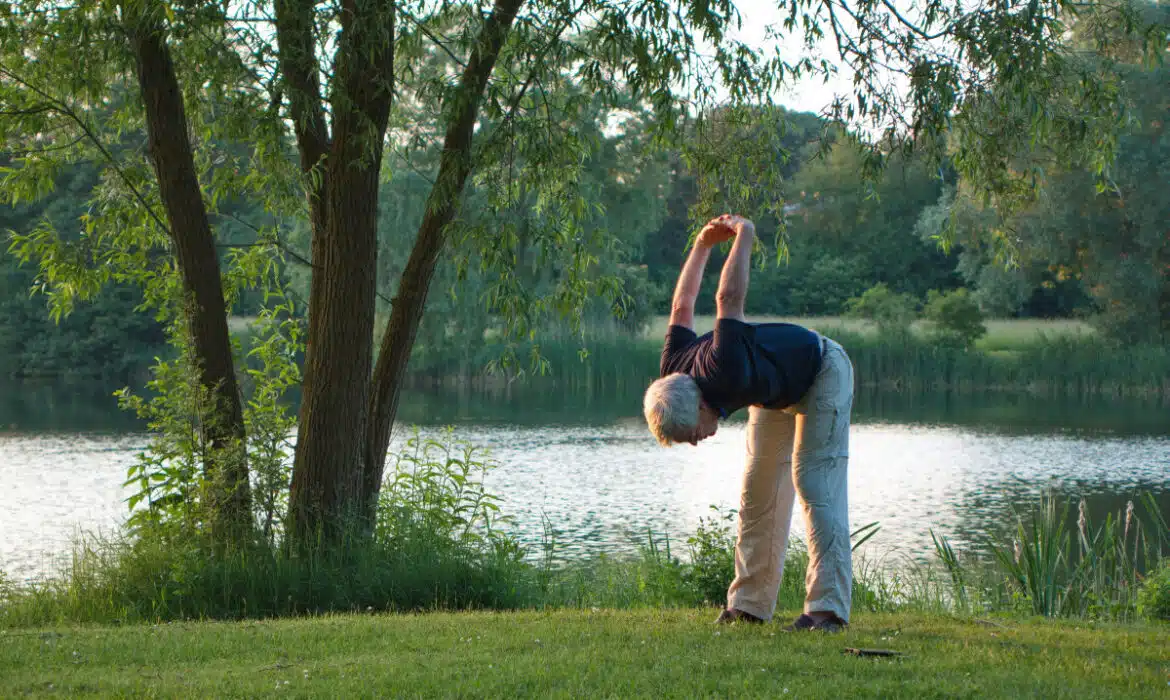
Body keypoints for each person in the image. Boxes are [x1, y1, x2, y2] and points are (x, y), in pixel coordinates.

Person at [642, 214, 855, 632]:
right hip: (773, 391)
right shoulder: (673, 370)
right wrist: (701, 245)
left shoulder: (723, 370)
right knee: (757, 491)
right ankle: (749, 606)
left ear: (701, 404)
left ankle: (827, 611)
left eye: (691, 435)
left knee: (813, 482)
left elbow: (728, 299)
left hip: (823, 370)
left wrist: (745, 235)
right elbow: (681, 306)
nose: (697, 442)